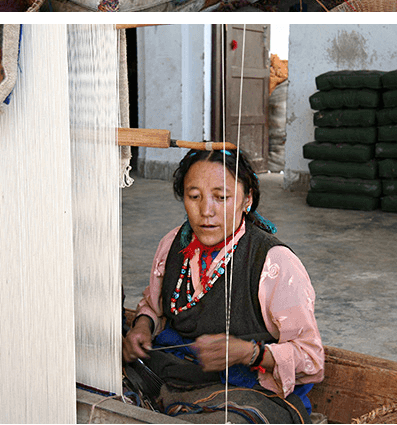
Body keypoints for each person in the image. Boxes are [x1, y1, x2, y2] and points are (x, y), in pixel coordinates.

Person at [123, 150, 323, 422]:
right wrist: (142, 326)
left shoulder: (273, 263)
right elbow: (155, 305)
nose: (206, 211)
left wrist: (250, 353)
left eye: (221, 197)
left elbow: (311, 358)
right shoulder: (172, 245)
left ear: (247, 199)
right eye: (194, 196)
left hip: (245, 390)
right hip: (175, 373)